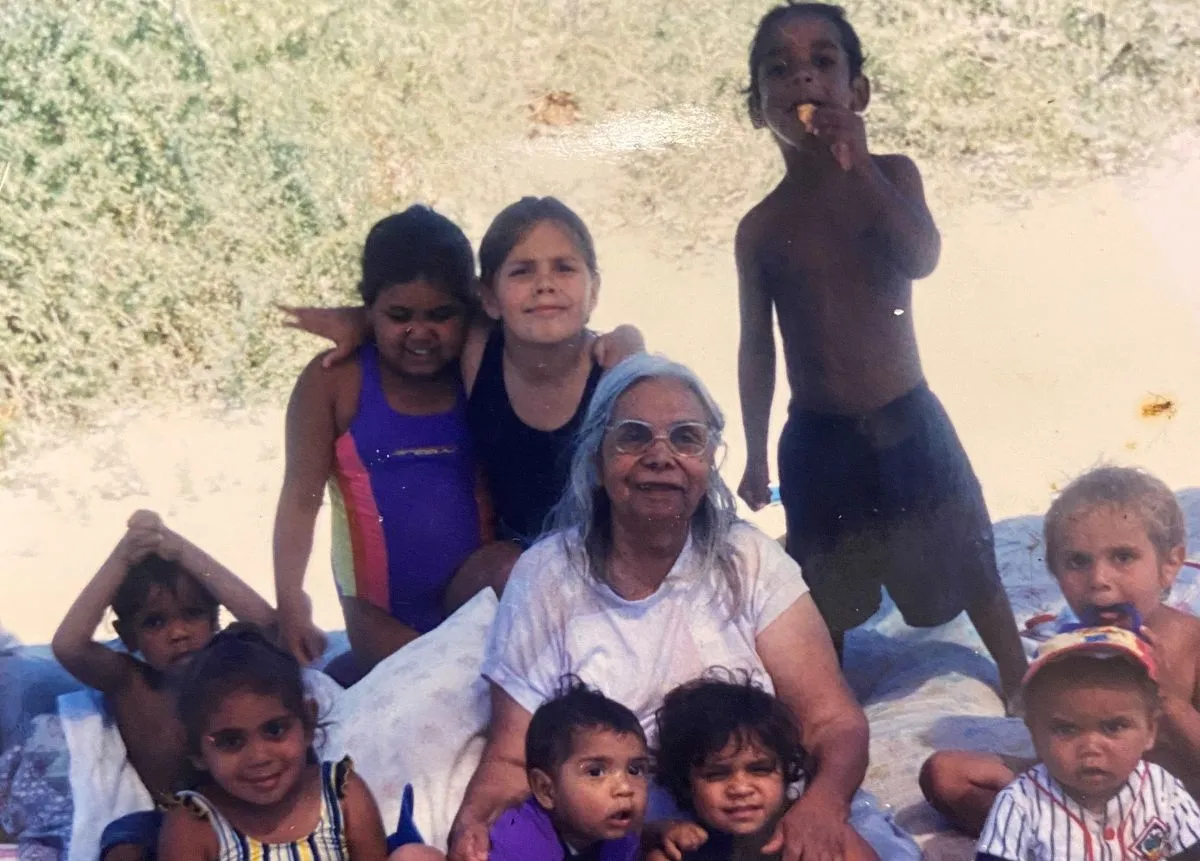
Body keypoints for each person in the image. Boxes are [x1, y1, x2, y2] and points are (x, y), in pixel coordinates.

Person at [447, 354, 910, 861]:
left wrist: (822, 807)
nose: (660, 456)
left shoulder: (748, 558)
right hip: (631, 832)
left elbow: (832, 722)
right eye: (633, 436)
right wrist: (473, 824)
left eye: (686, 437)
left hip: (759, 816)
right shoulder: (546, 576)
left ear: (709, 459)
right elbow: (513, 757)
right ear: (597, 462)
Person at [732, 2, 1026, 699]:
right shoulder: (763, 228)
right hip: (818, 435)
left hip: (908, 416)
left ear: (857, 93)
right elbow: (756, 344)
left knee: (967, 554)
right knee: (821, 582)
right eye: (780, 69)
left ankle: (1018, 672)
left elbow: (921, 256)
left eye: (823, 63)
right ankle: (827, 702)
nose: (803, 79)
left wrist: (859, 165)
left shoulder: (892, 175)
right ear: (757, 107)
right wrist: (754, 451)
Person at [278, 198, 643, 592]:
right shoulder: (479, 349)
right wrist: (359, 319)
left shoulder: (609, 370)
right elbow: (416, 307)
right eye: (522, 271)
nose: (544, 284)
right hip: (508, 578)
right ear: (488, 297)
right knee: (508, 567)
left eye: (564, 267)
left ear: (594, 288)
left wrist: (630, 337)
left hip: (600, 573)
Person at [273, 206, 501, 677]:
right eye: (399, 316)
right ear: (368, 306)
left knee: (512, 568)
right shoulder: (335, 381)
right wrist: (290, 599)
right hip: (378, 614)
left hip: (475, 599)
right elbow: (300, 497)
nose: (420, 332)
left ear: (470, 309)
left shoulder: (480, 364)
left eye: (442, 315)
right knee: (427, 691)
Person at [921, 466, 1200, 836]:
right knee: (946, 774)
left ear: (1169, 565)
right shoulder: (1067, 653)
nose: (1099, 580)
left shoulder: (1192, 646)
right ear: (1055, 570)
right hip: (1090, 804)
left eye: (1123, 557)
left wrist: (1168, 700)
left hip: (1178, 810)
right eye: (1078, 562)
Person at [50, 511, 277, 861]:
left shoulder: (232, 671)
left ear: (215, 619)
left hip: (238, 815)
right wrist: (122, 557)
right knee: (122, 844)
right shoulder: (131, 684)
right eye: (155, 622)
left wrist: (179, 548)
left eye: (193, 614)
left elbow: (269, 628)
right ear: (127, 636)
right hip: (166, 818)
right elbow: (68, 646)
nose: (178, 633)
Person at [158, 624, 389, 861]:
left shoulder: (341, 794)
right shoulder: (197, 822)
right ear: (196, 750)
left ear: (307, 723)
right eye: (230, 741)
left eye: (275, 730)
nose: (259, 757)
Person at [974, 626, 1200, 860]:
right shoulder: (1022, 801)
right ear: (1034, 733)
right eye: (1066, 729)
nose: (1090, 747)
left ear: (1150, 730)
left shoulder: (1162, 789)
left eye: (1113, 727)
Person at [397, 679, 649, 861]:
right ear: (546, 790)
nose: (624, 788)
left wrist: (658, 833)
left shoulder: (618, 833)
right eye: (596, 772)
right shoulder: (520, 838)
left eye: (635, 770)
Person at [650, 673, 878, 861]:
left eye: (759, 769)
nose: (741, 789)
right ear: (685, 783)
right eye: (717, 774)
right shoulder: (679, 845)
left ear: (786, 771)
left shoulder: (813, 835)